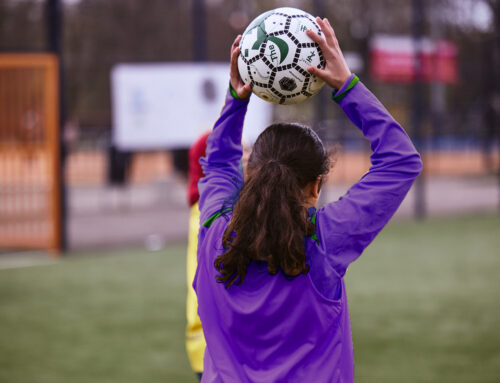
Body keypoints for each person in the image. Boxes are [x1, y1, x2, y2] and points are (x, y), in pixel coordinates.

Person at [194, 17, 423, 382]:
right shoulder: (323, 241)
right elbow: (400, 161)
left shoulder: (212, 233)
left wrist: (236, 101)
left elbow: (218, 166)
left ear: (249, 174)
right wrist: (346, 86)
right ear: (315, 186)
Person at [185, 132, 210, 380]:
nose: (249, 157)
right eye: (241, 152)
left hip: (208, 342)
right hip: (211, 343)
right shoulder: (208, 212)